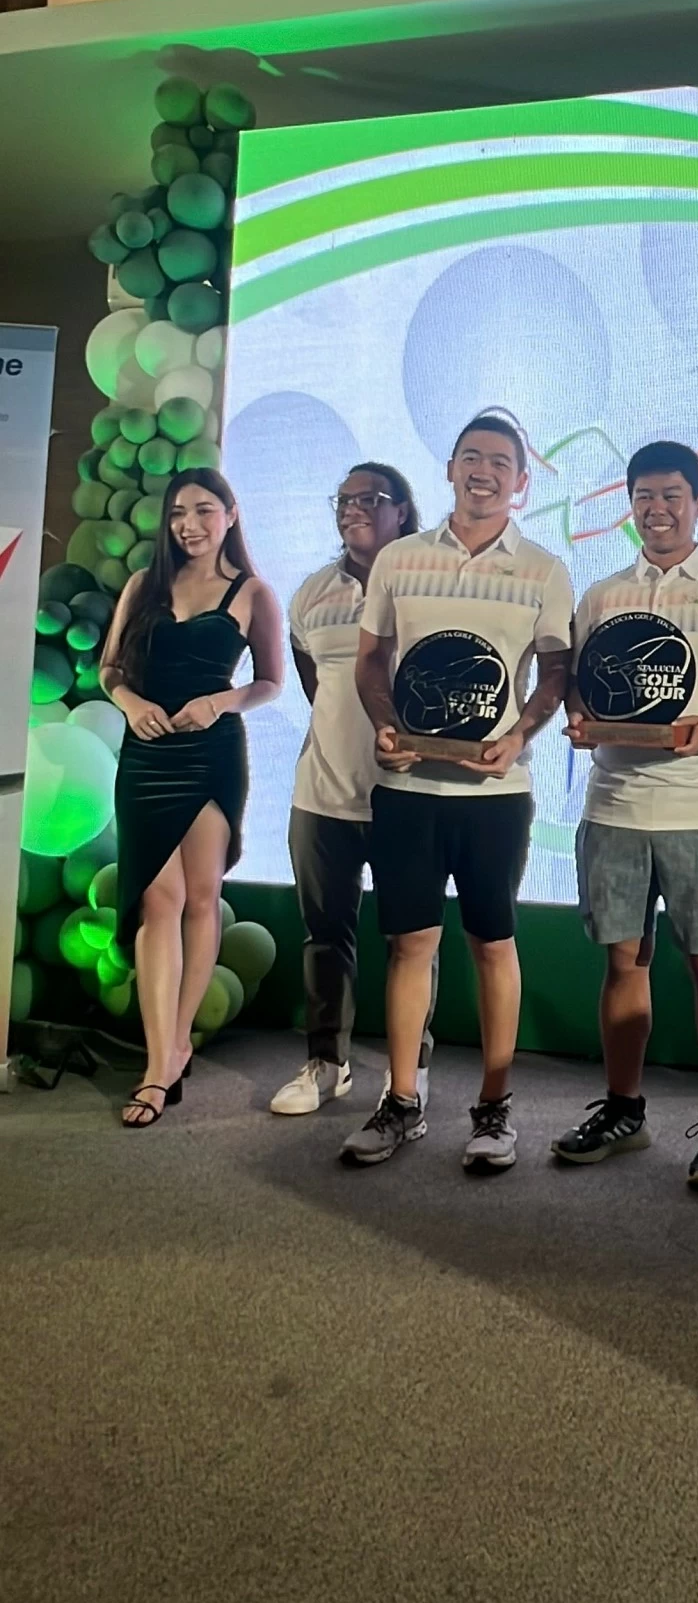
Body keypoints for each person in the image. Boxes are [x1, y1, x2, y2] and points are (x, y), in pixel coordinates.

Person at [552, 442, 698, 1188]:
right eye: (645, 496)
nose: (658, 510)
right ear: (630, 505)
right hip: (614, 807)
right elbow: (581, 690)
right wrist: (583, 719)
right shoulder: (602, 594)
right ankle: (624, 1110)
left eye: (673, 496)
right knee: (624, 962)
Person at [344, 415, 573, 1173]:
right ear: (448, 471)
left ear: (522, 482)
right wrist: (383, 721)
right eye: (471, 458)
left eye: (500, 461)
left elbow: (557, 672)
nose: (484, 471)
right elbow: (371, 660)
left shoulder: (542, 567)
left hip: (495, 793)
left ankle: (495, 1106)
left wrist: (522, 734)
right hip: (406, 786)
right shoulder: (400, 560)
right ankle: (402, 1101)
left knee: (491, 944)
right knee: (409, 943)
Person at [101, 470, 283, 1127]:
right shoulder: (143, 586)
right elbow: (111, 668)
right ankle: (158, 1059)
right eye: (179, 512)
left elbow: (269, 682)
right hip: (147, 754)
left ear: (230, 515)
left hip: (210, 756)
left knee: (200, 898)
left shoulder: (252, 591)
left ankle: (176, 1047)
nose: (190, 523)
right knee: (157, 897)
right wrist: (131, 703)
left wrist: (219, 701)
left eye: (204, 510)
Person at [270, 463, 439, 1118]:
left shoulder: (429, 584)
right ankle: (327, 1064)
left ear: (403, 511)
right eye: (343, 500)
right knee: (325, 933)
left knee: (414, 939)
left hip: (412, 792)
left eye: (370, 499)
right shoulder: (313, 593)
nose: (352, 510)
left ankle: (410, 1068)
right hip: (322, 796)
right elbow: (317, 685)